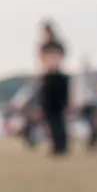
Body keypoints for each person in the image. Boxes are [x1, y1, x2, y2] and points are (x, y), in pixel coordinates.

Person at [37, 20, 70, 157]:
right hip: (55, 78)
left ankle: (60, 145)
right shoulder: (57, 45)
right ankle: (59, 145)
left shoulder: (46, 46)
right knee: (56, 117)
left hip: (52, 79)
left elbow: (41, 61)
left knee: (55, 116)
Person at [75, 56, 97, 152]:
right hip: (90, 102)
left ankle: (90, 142)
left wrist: (78, 102)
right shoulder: (93, 75)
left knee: (87, 123)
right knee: (88, 123)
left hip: (86, 102)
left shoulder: (82, 76)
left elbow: (80, 90)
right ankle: (89, 142)